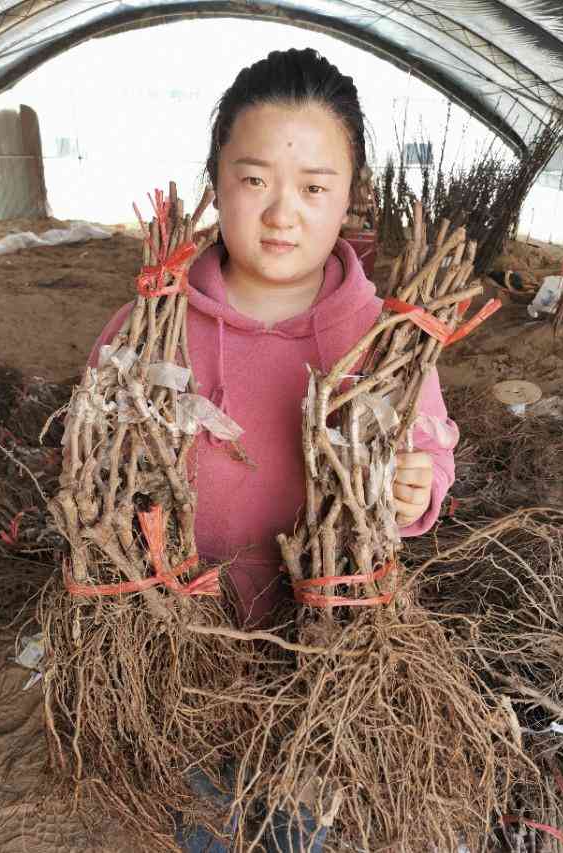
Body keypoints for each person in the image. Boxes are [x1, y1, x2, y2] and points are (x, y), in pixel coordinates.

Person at [87, 47, 459, 851]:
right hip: (178, 654)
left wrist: (415, 487)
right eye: (254, 180)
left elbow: (429, 449)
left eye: (315, 188)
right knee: (201, 814)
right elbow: (97, 470)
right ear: (215, 180)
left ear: (352, 196)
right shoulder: (146, 330)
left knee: (300, 823)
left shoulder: (386, 342)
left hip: (321, 656)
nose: (283, 213)